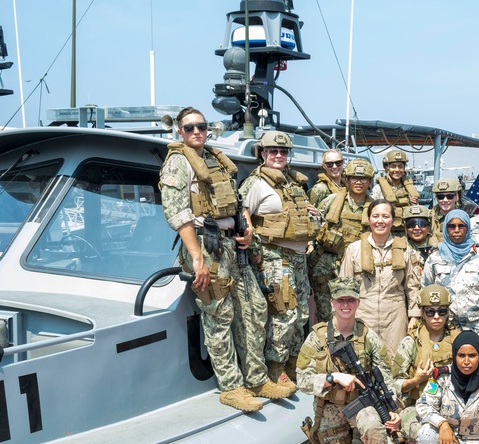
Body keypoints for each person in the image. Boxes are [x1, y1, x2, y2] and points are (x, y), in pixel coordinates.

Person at [159, 107, 288, 412]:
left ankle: (256, 378)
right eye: (189, 128)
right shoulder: (178, 163)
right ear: (180, 132)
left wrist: (247, 228)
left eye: (201, 126)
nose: (196, 132)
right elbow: (178, 215)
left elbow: (238, 202)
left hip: (233, 245)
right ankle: (231, 386)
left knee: (254, 308)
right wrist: (197, 261)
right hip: (206, 246)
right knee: (219, 315)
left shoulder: (213, 159)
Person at [296, 277, 403, 444]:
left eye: (351, 300)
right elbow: (301, 380)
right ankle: (357, 441)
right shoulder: (317, 338)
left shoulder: (368, 337)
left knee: (374, 424)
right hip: (330, 407)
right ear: (332, 302)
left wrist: (393, 407)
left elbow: (386, 375)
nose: (346, 305)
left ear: (357, 303)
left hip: (360, 403)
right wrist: (332, 377)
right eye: (341, 300)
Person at [240, 130, 322, 390]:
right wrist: (254, 249)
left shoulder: (292, 183)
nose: (278, 155)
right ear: (262, 154)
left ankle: (293, 362)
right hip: (275, 257)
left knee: (300, 315)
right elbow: (243, 216)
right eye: (272, 151)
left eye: (283, 151)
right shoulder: (256, 184)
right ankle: (275, 370)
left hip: (298, 258)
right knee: (282, 314)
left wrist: (312, 217)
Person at [340, 199, 421, 357]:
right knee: (362, 361)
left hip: (395, 318)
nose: (380, 221)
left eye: (385, 216)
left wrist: (414, 317)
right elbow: (344, 287)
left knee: (395, 363)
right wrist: (342, 318)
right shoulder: (354, 249)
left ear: (393, 220)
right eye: (375, 216)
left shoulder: (405, 250)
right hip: (362, 315)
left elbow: (413, 287)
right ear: (369, 219)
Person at [393, 284, 462, 444]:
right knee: (425, 436)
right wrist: (416, 380)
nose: (436, 316)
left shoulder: (459, 340)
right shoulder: (410, 343)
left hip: (452, 406)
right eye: (430, 312)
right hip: (419, 407)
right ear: (423, 314)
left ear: (448, 313)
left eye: (441, 311)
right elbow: (395, 385)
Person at [421, 209, 479, 344]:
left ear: (468, 228)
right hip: (446, 326)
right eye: (451, 226)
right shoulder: (434, 258)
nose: (457, 230)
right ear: (446, 229)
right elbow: (426, 291)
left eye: (461, 226)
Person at [309, 158, 373, 324]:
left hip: (357, 268)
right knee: (326, 317)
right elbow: (313, 226)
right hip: (327, 267)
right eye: (354, 178)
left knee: (356, 315)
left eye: (363, 178)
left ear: (370, 181)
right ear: (347, 179)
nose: (358, 182)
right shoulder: (332, 201)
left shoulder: (374, 208)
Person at [371, 149, 420, 236]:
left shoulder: (409, 188)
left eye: (400, 166)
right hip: (386, 233)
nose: (397, 170)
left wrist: (415, 204)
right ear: (387, 167)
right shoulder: (378, 188)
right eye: (393, 166)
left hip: (406, 233)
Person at [429, 177, 476, 244]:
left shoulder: (466, 218)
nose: (445, 200)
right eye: (441, 197)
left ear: (457, 197)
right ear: (436, 198)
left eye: (450, 196)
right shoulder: (429, 218)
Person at [403, 204, 434, 268]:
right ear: (406, 228)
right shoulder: (402, 248)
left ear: (428, 227)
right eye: (411, 224)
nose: (417, 228)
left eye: (421, 224)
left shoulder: (437, 247)